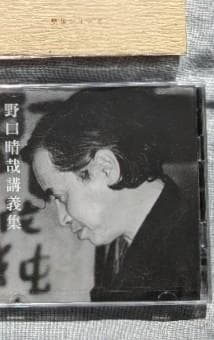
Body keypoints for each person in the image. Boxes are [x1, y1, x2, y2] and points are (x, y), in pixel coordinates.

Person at [20, 88, 201, 302]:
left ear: (105, 168)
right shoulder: (117, 245)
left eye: (61, 196)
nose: (62, 218)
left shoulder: (188, 263)